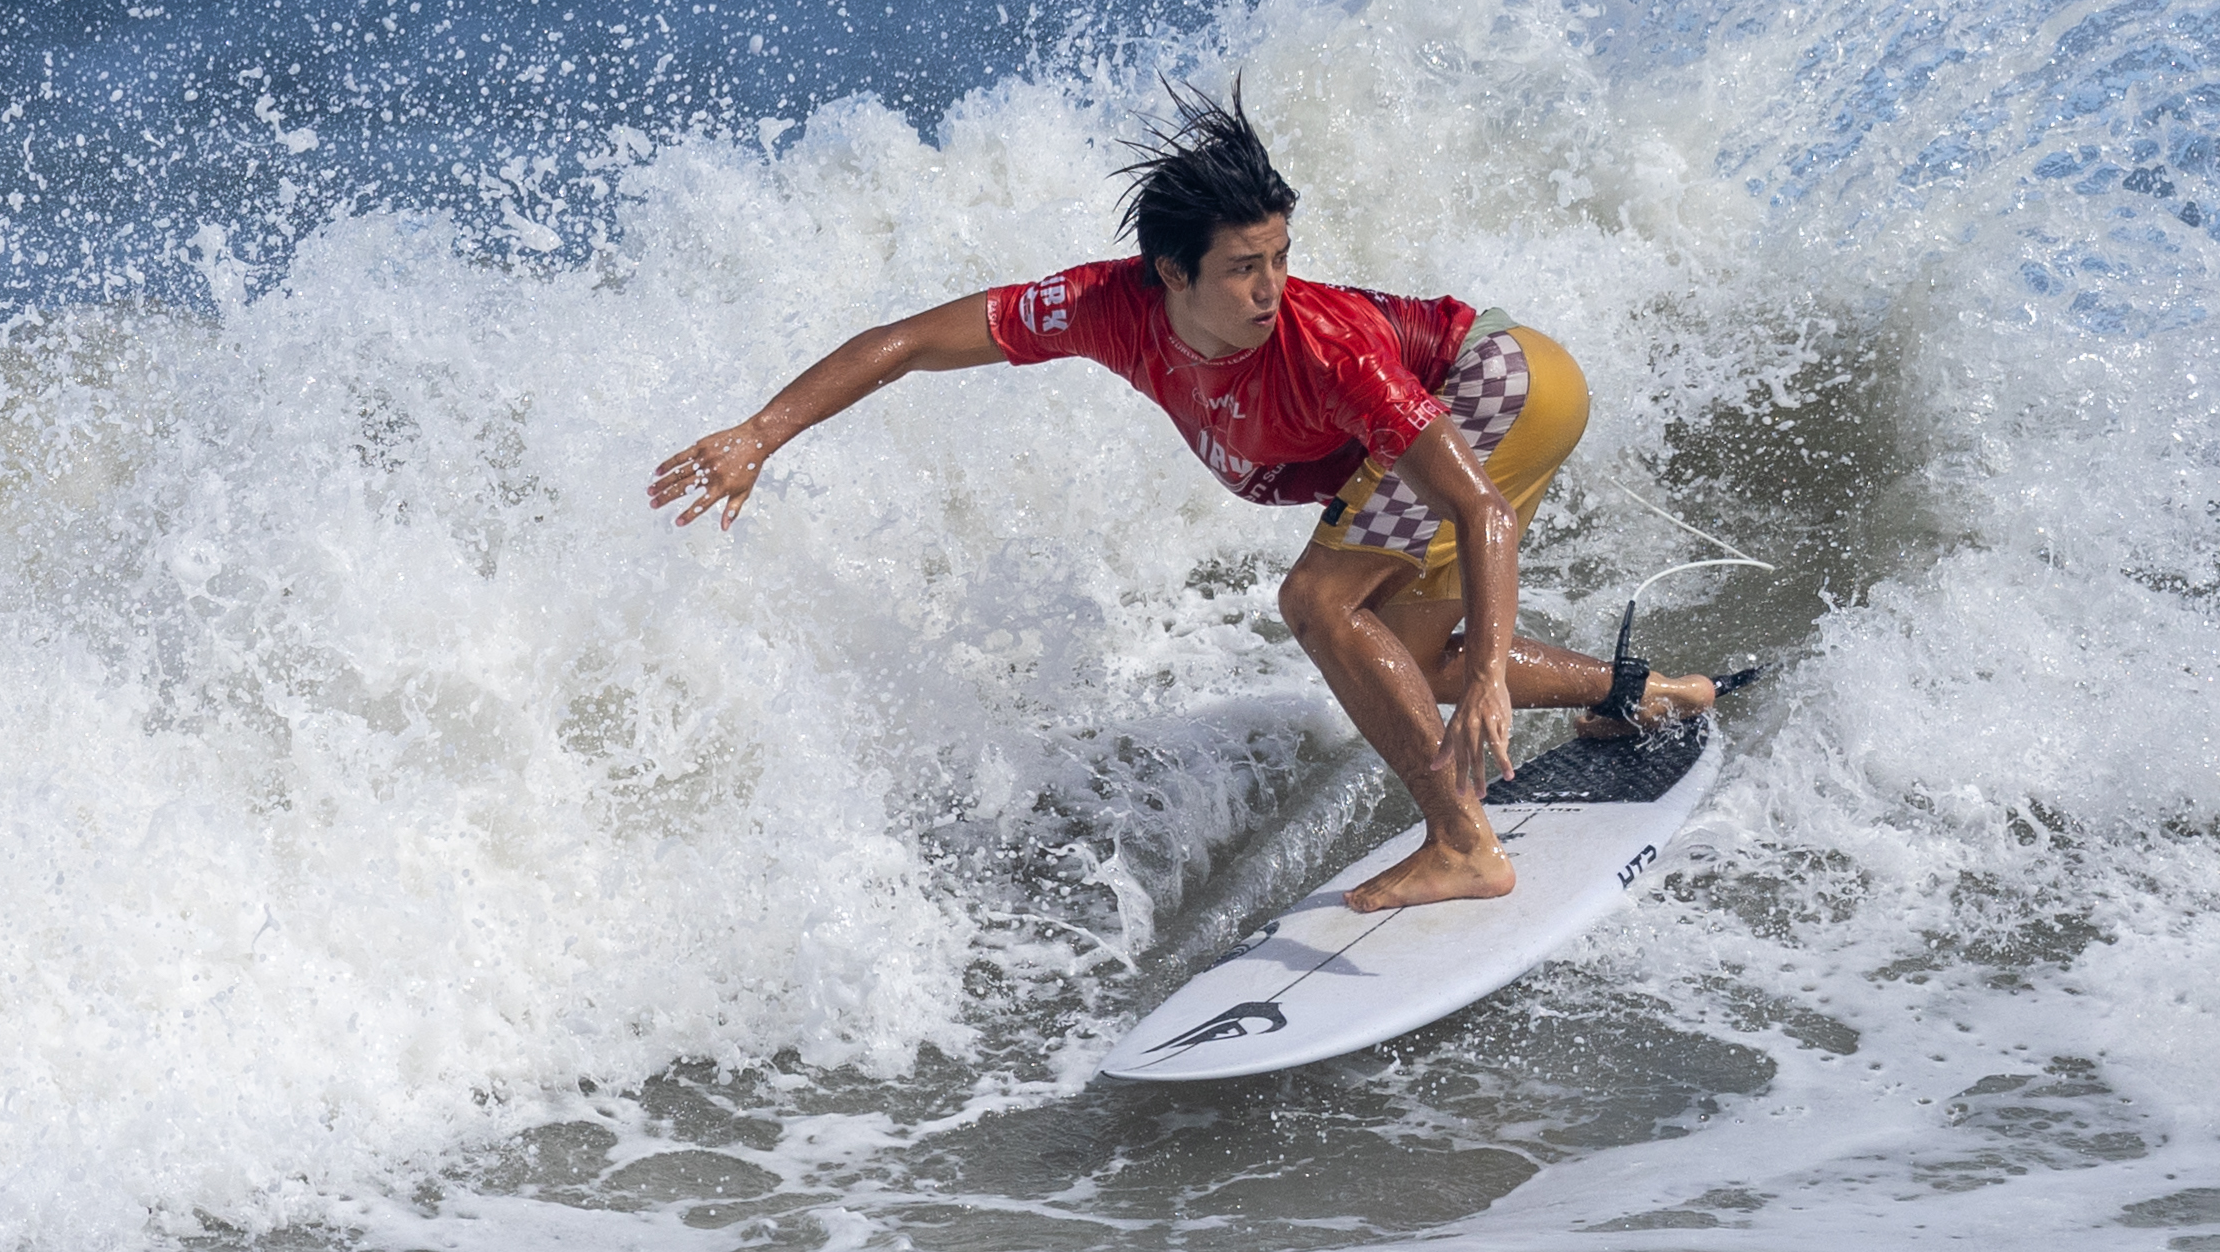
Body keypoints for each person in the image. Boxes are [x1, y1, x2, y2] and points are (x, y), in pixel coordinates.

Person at [647, 83, 1716, 912]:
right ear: (1169, 273)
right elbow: (913, 340)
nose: (1272, 287)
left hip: (1502, 384)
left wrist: (1490, 665)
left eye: (1282, 258)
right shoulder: (1106, 309)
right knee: (1404, 650)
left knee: (1319, 606)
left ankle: (1463, 845)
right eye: (1246, 266)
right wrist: (759, 433)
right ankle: (1646, 692)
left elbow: (1479, 511)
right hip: (1506, 381)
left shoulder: (1326, 345)